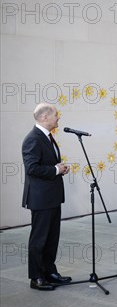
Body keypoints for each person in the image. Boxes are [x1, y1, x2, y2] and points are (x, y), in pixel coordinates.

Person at [22, 103, 71, 291]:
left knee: (52, 238)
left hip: (52, 196)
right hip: (40, 197)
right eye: (56, 115)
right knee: (39, 238)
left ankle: (50, 272)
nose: (58, 118)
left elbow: (47, 165)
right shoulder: (33, 139)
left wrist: (58, 169)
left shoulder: (48, 137)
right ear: (44, 118)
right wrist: (55, 169)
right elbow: (32, 168)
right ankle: (36, 277)